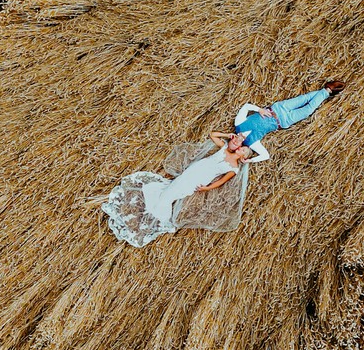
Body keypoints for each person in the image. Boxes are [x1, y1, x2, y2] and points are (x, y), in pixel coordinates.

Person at [103, 132, 269, 247]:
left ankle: (154, 215)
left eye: (243, 150)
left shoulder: (234, 168)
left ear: (244, 157)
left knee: (174, 193)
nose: (240, 148)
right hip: (193, 170)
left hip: (199, 179)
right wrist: (228, 136)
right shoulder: (224, 148)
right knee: (172, 186)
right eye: (241, 146)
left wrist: (207, 188)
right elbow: (212, 135)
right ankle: (153, 204)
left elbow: (221, 182)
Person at [234, 79, 345, 146]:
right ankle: (327, 90)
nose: (236, 143)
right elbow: (265, 155)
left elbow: (246, 106)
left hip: (277, 109)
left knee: (304, 98)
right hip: (283, 121)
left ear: (232, 138)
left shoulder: (238, 124)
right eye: (236, 146)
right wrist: (250, 160)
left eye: (233, 142)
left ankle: (328, 91)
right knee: (308, 110)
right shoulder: (250, 143)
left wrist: (260, 110)